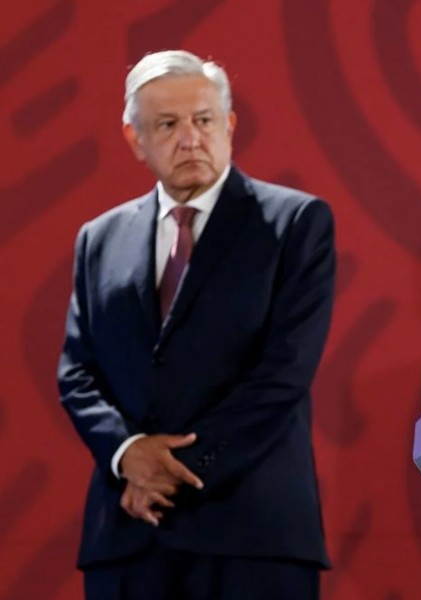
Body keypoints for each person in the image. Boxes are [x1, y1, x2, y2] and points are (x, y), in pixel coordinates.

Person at [57, 50, 335, 600]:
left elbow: (283, 372)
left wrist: (169, 470)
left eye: (203, 120)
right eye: (167, 125)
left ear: (228, 125)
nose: (190, 139)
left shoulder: (294, 223)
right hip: (128, 536)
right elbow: (77, 373)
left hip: (250, 533)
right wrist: (127, 455)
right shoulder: (99, 239)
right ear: (136, 140)